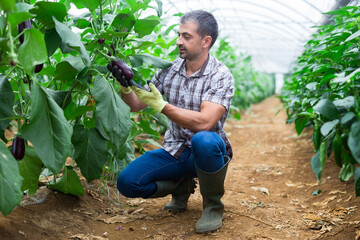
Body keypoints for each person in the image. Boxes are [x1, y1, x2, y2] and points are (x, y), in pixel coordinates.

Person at [108, 10, 234, 233]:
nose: (179, 42)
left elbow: (205, 122)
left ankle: (213, 206)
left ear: (206, 41)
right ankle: (181, 184)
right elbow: (136, 105)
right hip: (175, 150)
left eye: (186, 36)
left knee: (204, 140)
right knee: (127, 182)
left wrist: (162, 106)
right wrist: (125, 86)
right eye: (179, 35)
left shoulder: (220, 75)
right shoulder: (169, 70)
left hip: (206, 153)